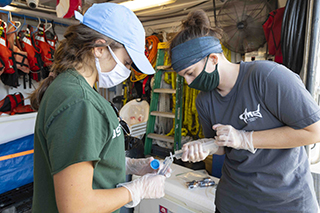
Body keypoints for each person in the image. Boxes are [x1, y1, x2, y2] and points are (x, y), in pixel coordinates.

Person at [169, 9, 320, 213]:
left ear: (213, 58)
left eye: (190, 73)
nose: (188, 82)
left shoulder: (267, 77)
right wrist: (205, 147)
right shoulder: (204, 100)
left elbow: (314, 132)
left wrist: (245, 138)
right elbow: (221, 147)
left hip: (285, 203)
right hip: (234, 202)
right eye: (183, 77)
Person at [30, 3, 169, 213]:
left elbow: (79, 161)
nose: (127, 71)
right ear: (99, 48)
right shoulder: (78, 101)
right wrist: (137, 190)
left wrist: (127, 165)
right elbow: (76, 206)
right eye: (127, 62)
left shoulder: (74, 90)